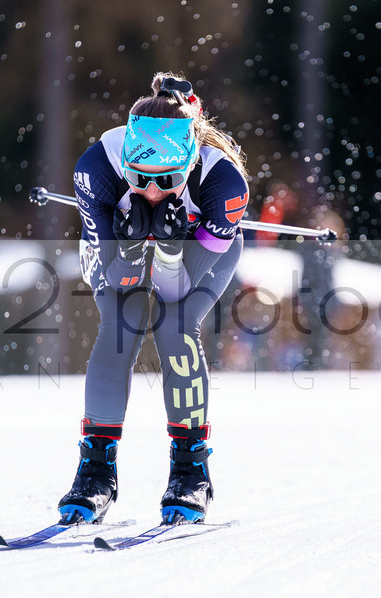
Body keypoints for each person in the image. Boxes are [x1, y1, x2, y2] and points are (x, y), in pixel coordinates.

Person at [62, 72, 249, 524]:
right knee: (119, 327)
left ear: (187, 167)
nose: (149, 190)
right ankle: (96, 470)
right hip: (117, 248)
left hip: (197, 255)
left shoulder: (225, 188)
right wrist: (128, 251)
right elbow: (115, 278)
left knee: (174, 327)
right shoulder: (96, 171)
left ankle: (191, 471)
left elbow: (174, 290)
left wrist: (168, 249)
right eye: (139, 177)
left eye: (166, 179)